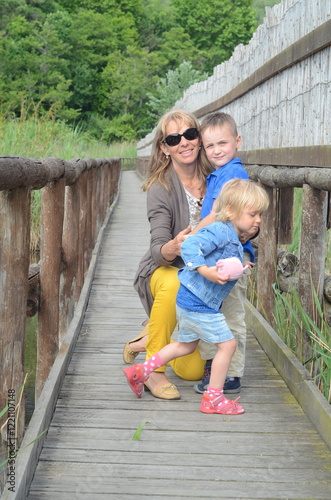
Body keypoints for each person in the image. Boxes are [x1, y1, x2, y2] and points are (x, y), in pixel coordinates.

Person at [123, 178, 269, 414]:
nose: (258, 220)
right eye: (253, 214)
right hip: (200, 303)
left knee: (185, 346)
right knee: (228, 345)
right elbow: (190, 246)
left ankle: (141, 372)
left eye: (260, 214)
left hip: (191, 300)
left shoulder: (233, 236)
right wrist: (204, 271)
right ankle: (213, 398)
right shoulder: (220, 231)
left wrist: (241, 269)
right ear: (230, 211)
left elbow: (220, 262)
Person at [123, 109, 212, 400]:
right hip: (165, 269)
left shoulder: (217, 178)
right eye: (174, 138)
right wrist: (173, 246)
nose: (184, 142)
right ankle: (152, 371)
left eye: (190, 134)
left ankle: (150, 336)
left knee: (193, 371)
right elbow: (158, 249)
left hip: (205, 280)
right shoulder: (160, 188)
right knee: (176, 281)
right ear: (164, 148)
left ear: (199, 138)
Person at [192, 112, 255, 395]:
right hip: (217, 255)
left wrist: (191, 239)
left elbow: (218, 215)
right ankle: (214, 366)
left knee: (228, 314)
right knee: (212, 311)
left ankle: (230, 374)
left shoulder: (233, 174)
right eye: (210, 146)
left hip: (229, 256)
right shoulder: (218, 174)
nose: (217, 150)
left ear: (237, 141)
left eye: (223, 143)